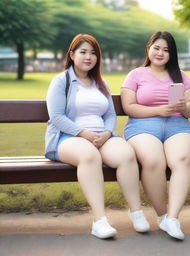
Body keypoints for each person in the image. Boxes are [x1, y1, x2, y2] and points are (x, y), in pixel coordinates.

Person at [45, 34, 150, 239]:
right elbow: (56, 117)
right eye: (83, 52)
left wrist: (107, 133)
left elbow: (110, 114)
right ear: (72, 54)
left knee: (126, 154)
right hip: (68, 138)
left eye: (93, 53)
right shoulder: (61, 81)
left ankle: (136, 211)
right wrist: (84, 134)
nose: (88, 57)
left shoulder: (101, 83)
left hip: (101, 137)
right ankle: (99, 220)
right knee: (89, 156)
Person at [121, 31, 190, 240]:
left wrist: (184, 106)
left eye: (166, 50)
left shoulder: (180, 75)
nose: (160, 53)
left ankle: (173, 218)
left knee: (182, 158)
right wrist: (157, 110)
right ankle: (162, 216)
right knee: (154, 160)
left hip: (178, 125)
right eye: (157, 48)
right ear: (148, 49)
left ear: (172, 54)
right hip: (143, 126)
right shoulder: (136, 74)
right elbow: (128, 107)